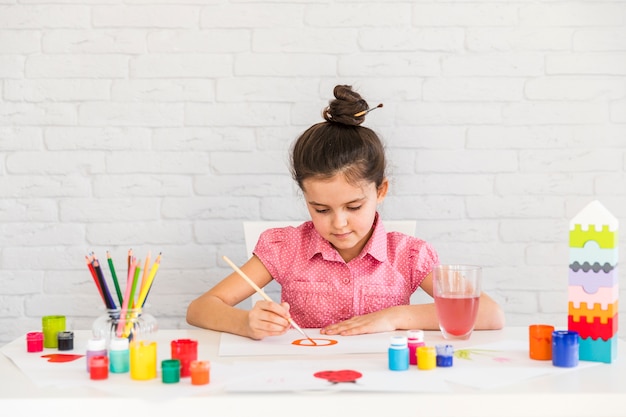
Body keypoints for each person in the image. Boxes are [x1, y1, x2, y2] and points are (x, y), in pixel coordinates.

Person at [186, 85, 505, 340]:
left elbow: (490, 314)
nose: (338, 223)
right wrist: (245, 322)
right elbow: (200, 308)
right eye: (320, 209)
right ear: (305, 197)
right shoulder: (286, 248)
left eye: (354, 207)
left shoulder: (407, 255)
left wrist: (395, 317)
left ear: (380, 191)